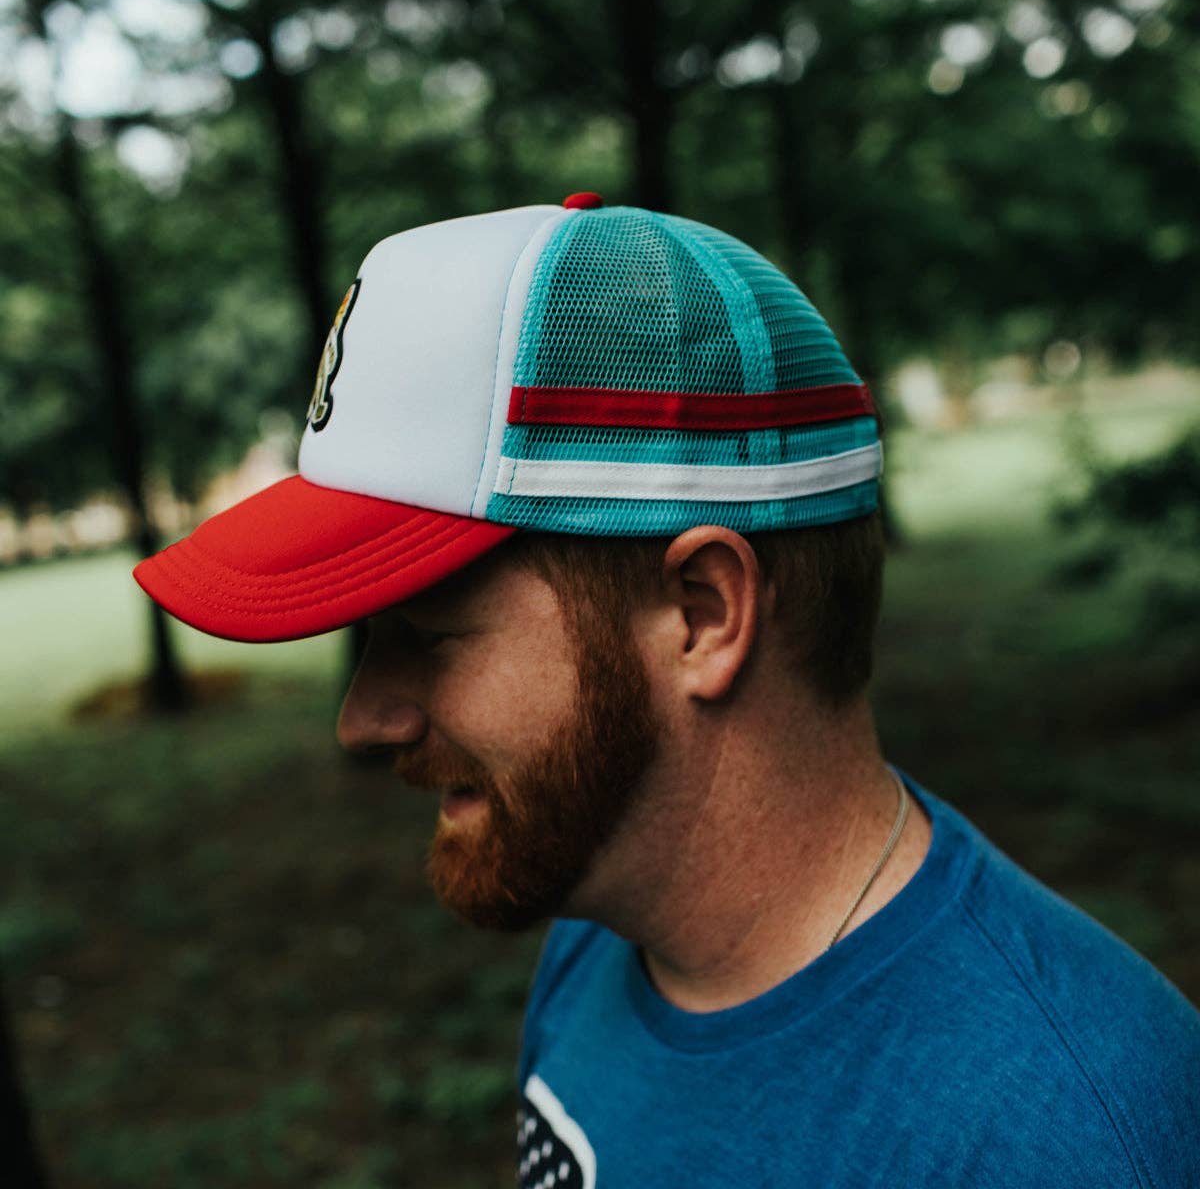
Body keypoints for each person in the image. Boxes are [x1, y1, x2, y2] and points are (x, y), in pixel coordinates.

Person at [135, 193, 1200, 1187]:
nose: (362, 718)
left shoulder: (1071, 1136)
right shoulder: (603, 924)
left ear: (702, 612)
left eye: (426, 634)